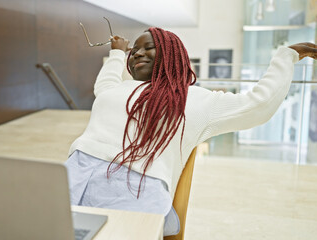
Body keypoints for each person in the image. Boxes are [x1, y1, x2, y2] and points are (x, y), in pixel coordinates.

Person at [65, 27, 316, 236]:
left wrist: (287, 56)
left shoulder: (192, 100)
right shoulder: (118, 89)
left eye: (148, 47)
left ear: (171, 54)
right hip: (72, 178)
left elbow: (258, 104)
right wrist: (118, 52)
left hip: (131, 193)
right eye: (134, 50)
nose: (138, 53)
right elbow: (105, 83)